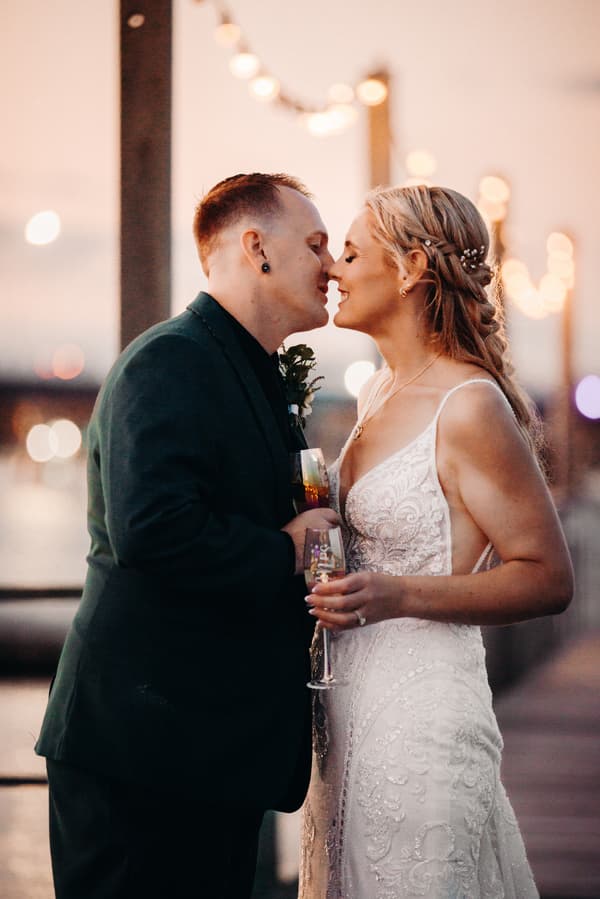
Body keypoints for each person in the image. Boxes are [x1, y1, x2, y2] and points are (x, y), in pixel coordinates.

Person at [35, 172, 339, 899]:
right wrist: (293, 547)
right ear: (256, 247)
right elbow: (153, 529)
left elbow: (296, 506)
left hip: (208, 749)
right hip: (142, 752)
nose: (332, 265)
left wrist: (320, 536)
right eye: (317, 244)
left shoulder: (258, 375)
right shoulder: (170, 361)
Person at [298, 184, 574, 898]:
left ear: (413, 264)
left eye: (352, 253)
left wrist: (395, 594)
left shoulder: (469, 405)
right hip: (346, 710)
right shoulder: (377, 394)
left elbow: (547, 576)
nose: (333, 269)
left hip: (423, 720)